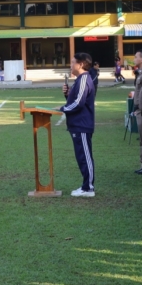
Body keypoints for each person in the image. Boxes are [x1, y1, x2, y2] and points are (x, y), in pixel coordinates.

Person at [59, 52, 99, 197]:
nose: (70, 65)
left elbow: (79, 103)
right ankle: (86, 186)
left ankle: (88, 188)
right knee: (81, 156)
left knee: (85, 156)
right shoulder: (79, 80)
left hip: (82, 124)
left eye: (72, 62)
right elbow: (76, 99)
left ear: (81, 64)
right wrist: (67, 94)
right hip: (77, 124)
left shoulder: (84, 79)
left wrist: (62, 109)